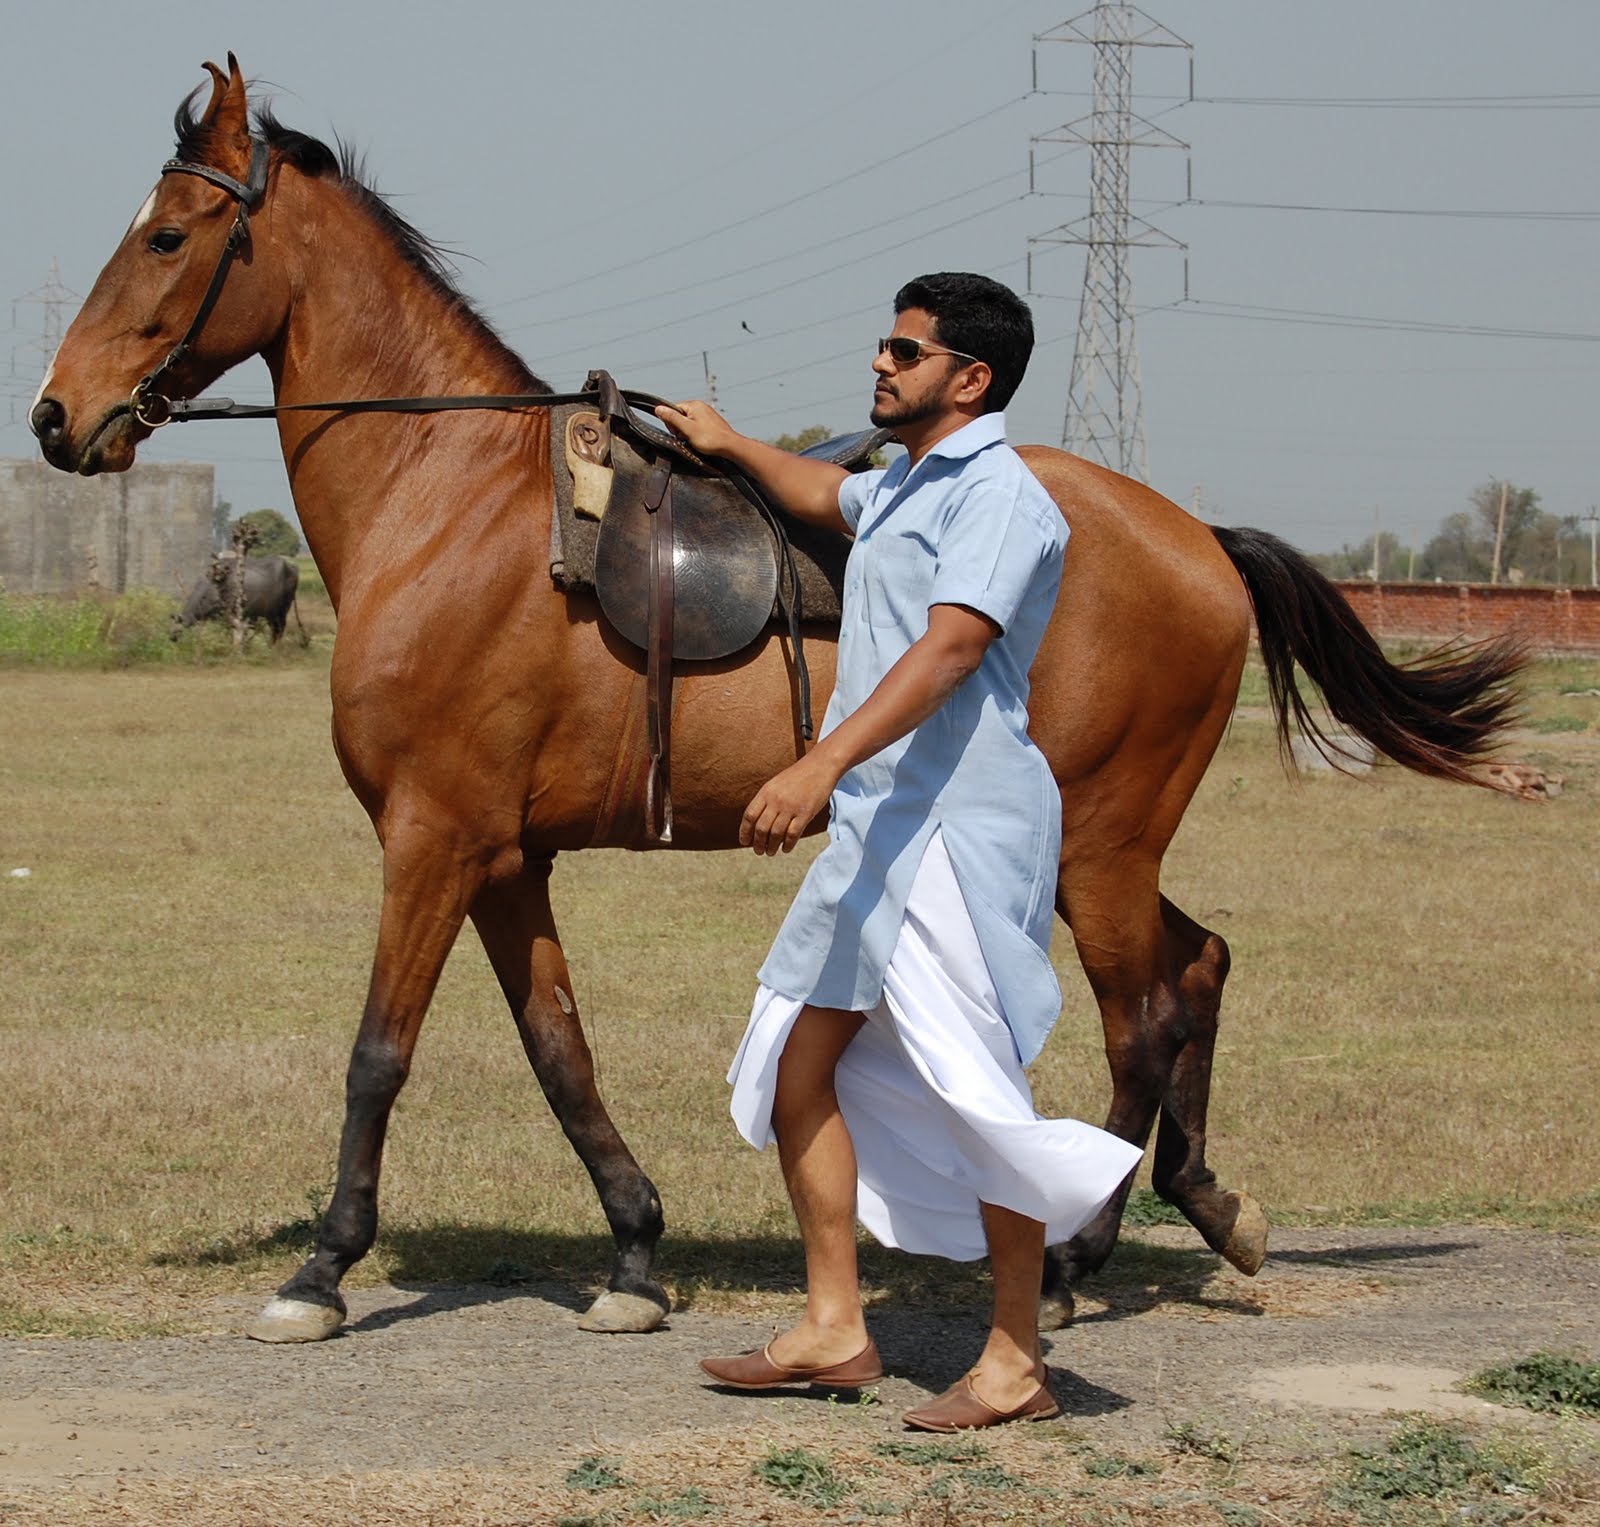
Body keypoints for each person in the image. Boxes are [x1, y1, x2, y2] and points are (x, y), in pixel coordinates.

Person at [655, 272, 1142, 1432]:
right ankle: (834, 1329)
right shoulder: (912, 483)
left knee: (978, 1098)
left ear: (968, 379)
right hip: (879, 829)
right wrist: (728, 443)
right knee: (792, 1069)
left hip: (956, 835)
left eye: (905, 351)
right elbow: (829, 494)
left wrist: (815, 764)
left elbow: (952, 652)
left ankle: (1017, 1362)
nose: (881, 363)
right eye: (885, 343)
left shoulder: (1003, 499)